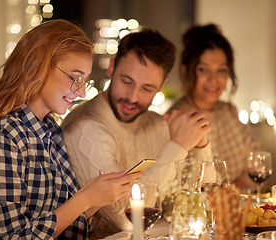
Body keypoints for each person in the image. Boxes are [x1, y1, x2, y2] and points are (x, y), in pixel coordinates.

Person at [0, 19, 143, 240]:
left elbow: (54, 225)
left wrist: (98, 198)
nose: (80, 92)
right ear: (37, 66)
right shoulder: (2, 138)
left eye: (84, 81)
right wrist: (85, 198)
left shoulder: (50, 131)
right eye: (75, 78)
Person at [61, 28, 211, 239]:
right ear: (111, 67)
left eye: (147, 88)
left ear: (162, 85)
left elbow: (203, 200)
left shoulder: (156, 124)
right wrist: (177, 146)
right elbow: (126, 220)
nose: (133, 97)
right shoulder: (86, 129)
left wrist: (201, 143)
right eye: (127, 81)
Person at [167, 24, 262, 189]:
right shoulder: (177, 118)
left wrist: (229, 194)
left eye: (221, 70)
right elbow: (173, 184)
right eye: (203, 69)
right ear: (185, 70)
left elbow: (257, 163)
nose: (213, 80)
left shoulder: (229, 112)